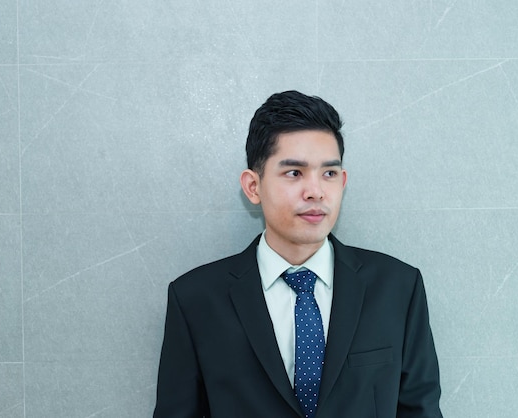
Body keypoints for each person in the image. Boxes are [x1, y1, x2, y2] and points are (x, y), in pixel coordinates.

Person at [153, 90, 442, 417]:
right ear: (253, 187)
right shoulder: (195, 299)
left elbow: (420, 410)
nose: (316, 191)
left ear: (342, 182)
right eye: (294, 173)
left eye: (329, 173)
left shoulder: (398, 288)